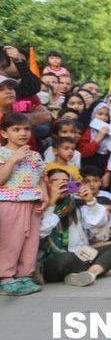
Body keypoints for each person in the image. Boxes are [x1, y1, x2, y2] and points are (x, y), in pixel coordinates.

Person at [38, 169, 111, 287]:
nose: (62, 184)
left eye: (65, 181)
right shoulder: (39, 205)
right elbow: (42, 232)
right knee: (68, 258)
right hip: (53, 260)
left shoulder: (76, 203)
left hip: (81, 255)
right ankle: (99, 269)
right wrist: (52, 203)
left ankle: (89, 274)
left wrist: (90, 201)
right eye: (55, 181)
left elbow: (97, 223)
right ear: (46, 184)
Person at [0, 112, 46, 296]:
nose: (22, 133)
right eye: (16, 129)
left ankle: (24, 275)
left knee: (30, 242)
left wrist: (45, 197)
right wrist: (12, 160)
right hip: (10, 202)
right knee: (10, 242)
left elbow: (42, 179)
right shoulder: (3, 153)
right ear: (4, 133)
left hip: (33, 203)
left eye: (26, 129)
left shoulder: (34, 156)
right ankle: (6, 277)